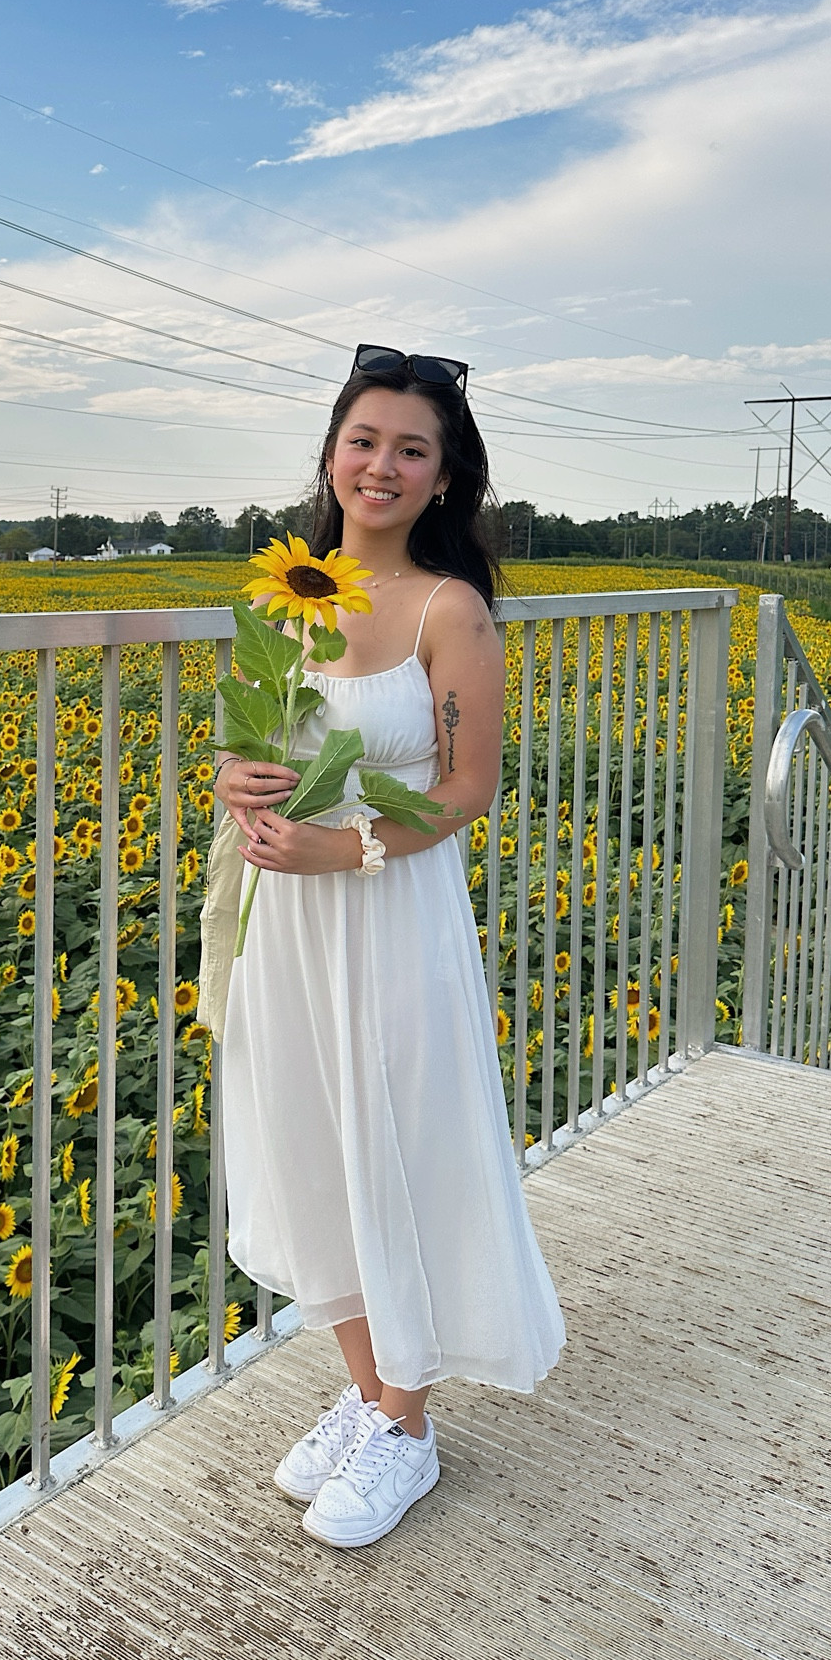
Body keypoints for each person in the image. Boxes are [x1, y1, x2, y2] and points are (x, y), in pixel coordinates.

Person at [214, 345, 565, 1550]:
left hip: (388, 915)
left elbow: (468, 789)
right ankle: (370, 1391)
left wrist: (349, 848)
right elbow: (251, 741)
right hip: (291, 930)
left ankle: (408, 1427)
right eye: (366, 439)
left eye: (412, 448)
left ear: (443, 477)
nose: (382, 463)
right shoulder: (283, 600)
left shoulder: (444, 608)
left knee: (400, 1145)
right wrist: (235, 778)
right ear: (331, 453)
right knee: (311, 1145)